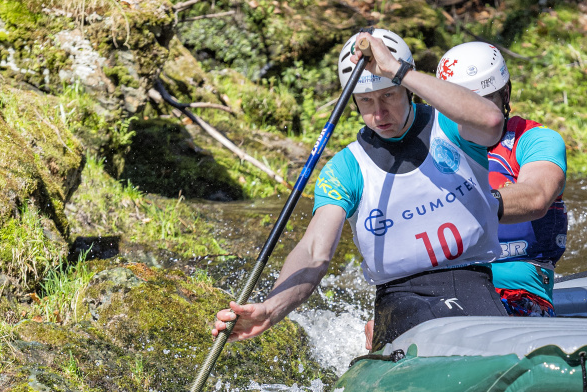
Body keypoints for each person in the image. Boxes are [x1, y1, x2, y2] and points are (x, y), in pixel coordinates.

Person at [213, 29, 508, 351]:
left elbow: (491, 120)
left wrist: (396, 69)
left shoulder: (451, 126)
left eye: (388, 96)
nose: (378, 113)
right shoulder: (345, 169)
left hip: (470, 281)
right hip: (399, 299)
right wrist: (272, 308)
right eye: (366, 100)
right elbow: (314, 251)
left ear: (407, 89)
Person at [435, 41, 568, 317]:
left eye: (482, 104)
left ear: (505, 94)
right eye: (460, 107)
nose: (473, 117)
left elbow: (537, 196)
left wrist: (467, 201)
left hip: (518, 289)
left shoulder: (536, 140)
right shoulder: (430, 149)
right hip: (448, 285)